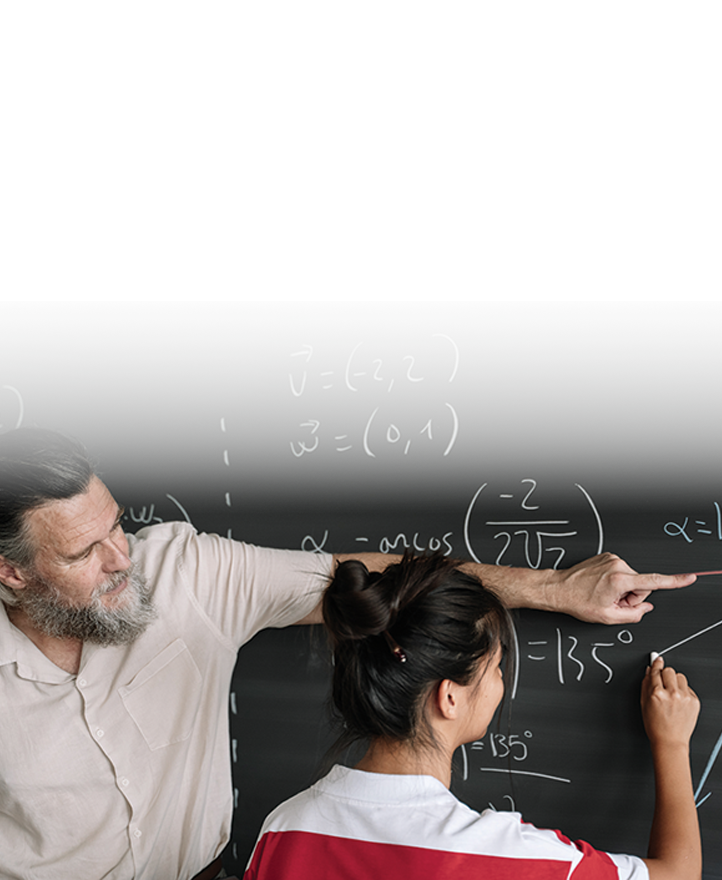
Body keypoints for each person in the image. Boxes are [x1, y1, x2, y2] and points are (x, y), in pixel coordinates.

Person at [0, 427, 697, 880]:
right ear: (13, 571)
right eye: (86, 552)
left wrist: (554, 588)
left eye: (118, 524)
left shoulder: (186, 576)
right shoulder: (503, 854)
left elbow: (367, 581)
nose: (124, 557)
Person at [244, 554, 702, 880]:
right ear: (450, 698)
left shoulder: (284, 829)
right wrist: (672, 743)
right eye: (496, 667)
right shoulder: (507, 856)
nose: (501, 683)